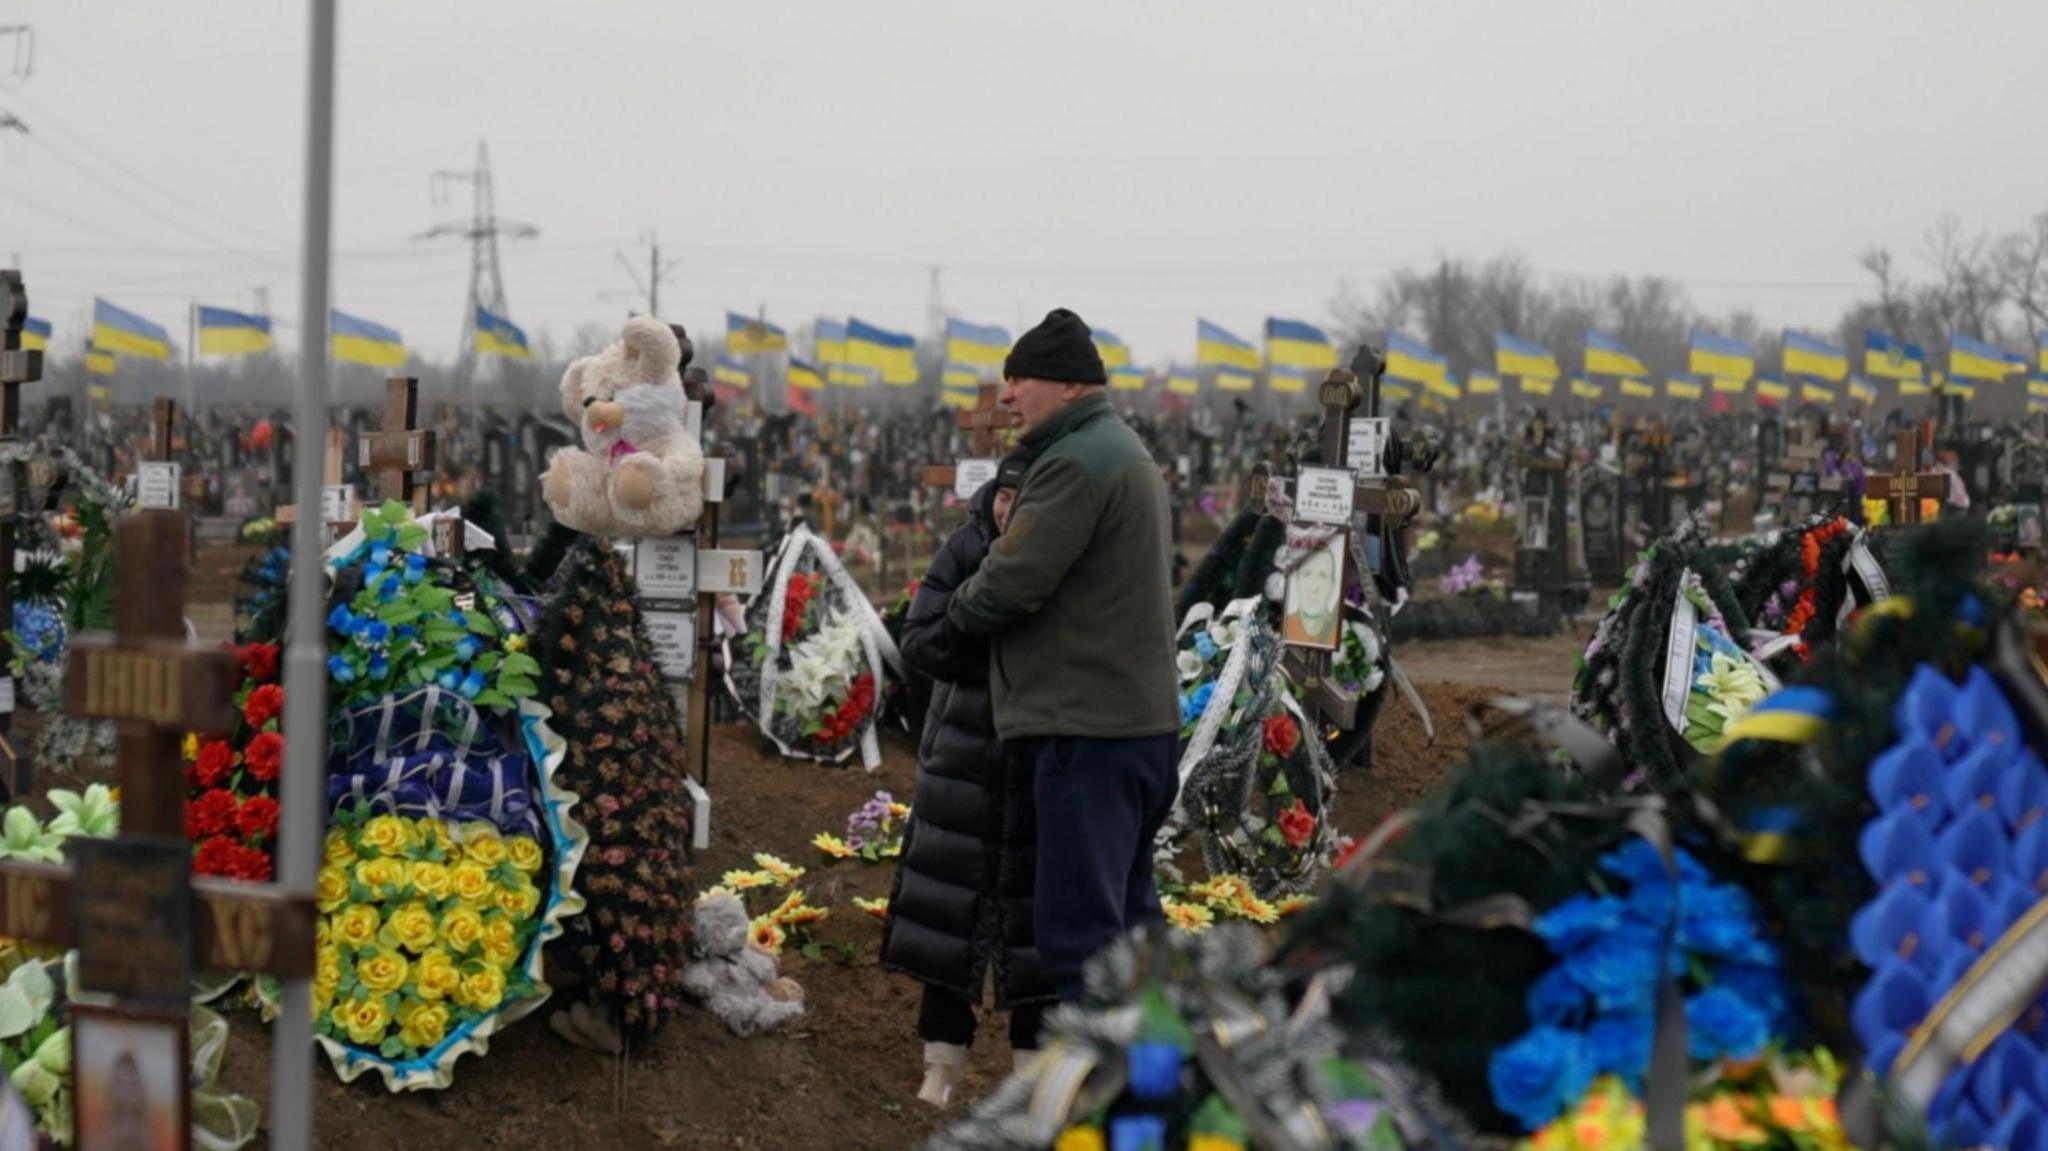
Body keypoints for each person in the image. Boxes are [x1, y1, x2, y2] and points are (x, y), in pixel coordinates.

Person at [948, 308, 1181, 1003]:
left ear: (1071, 385)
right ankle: (1164, 1082)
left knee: (1079, 941)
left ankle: (1104, 1101)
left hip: (1089, 732)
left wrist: (945, 616)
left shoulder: (1074, 464)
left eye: (1020, 379)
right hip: (1137, 727)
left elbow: (1008, 584)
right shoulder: (1120, 449)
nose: (1009, 395)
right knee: (1132, 930)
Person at [882, 454, 1052, 1107]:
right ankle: (941, 1063)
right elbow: (919, 640)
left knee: (1035, 921)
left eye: (1023, 496)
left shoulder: (1060, 554)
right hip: (963, 756)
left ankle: (1034, 1072)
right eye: (1005, 494)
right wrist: (981, 621)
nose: (1010, 508)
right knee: (951, 911)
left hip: (1037, 760)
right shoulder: (965, 547)